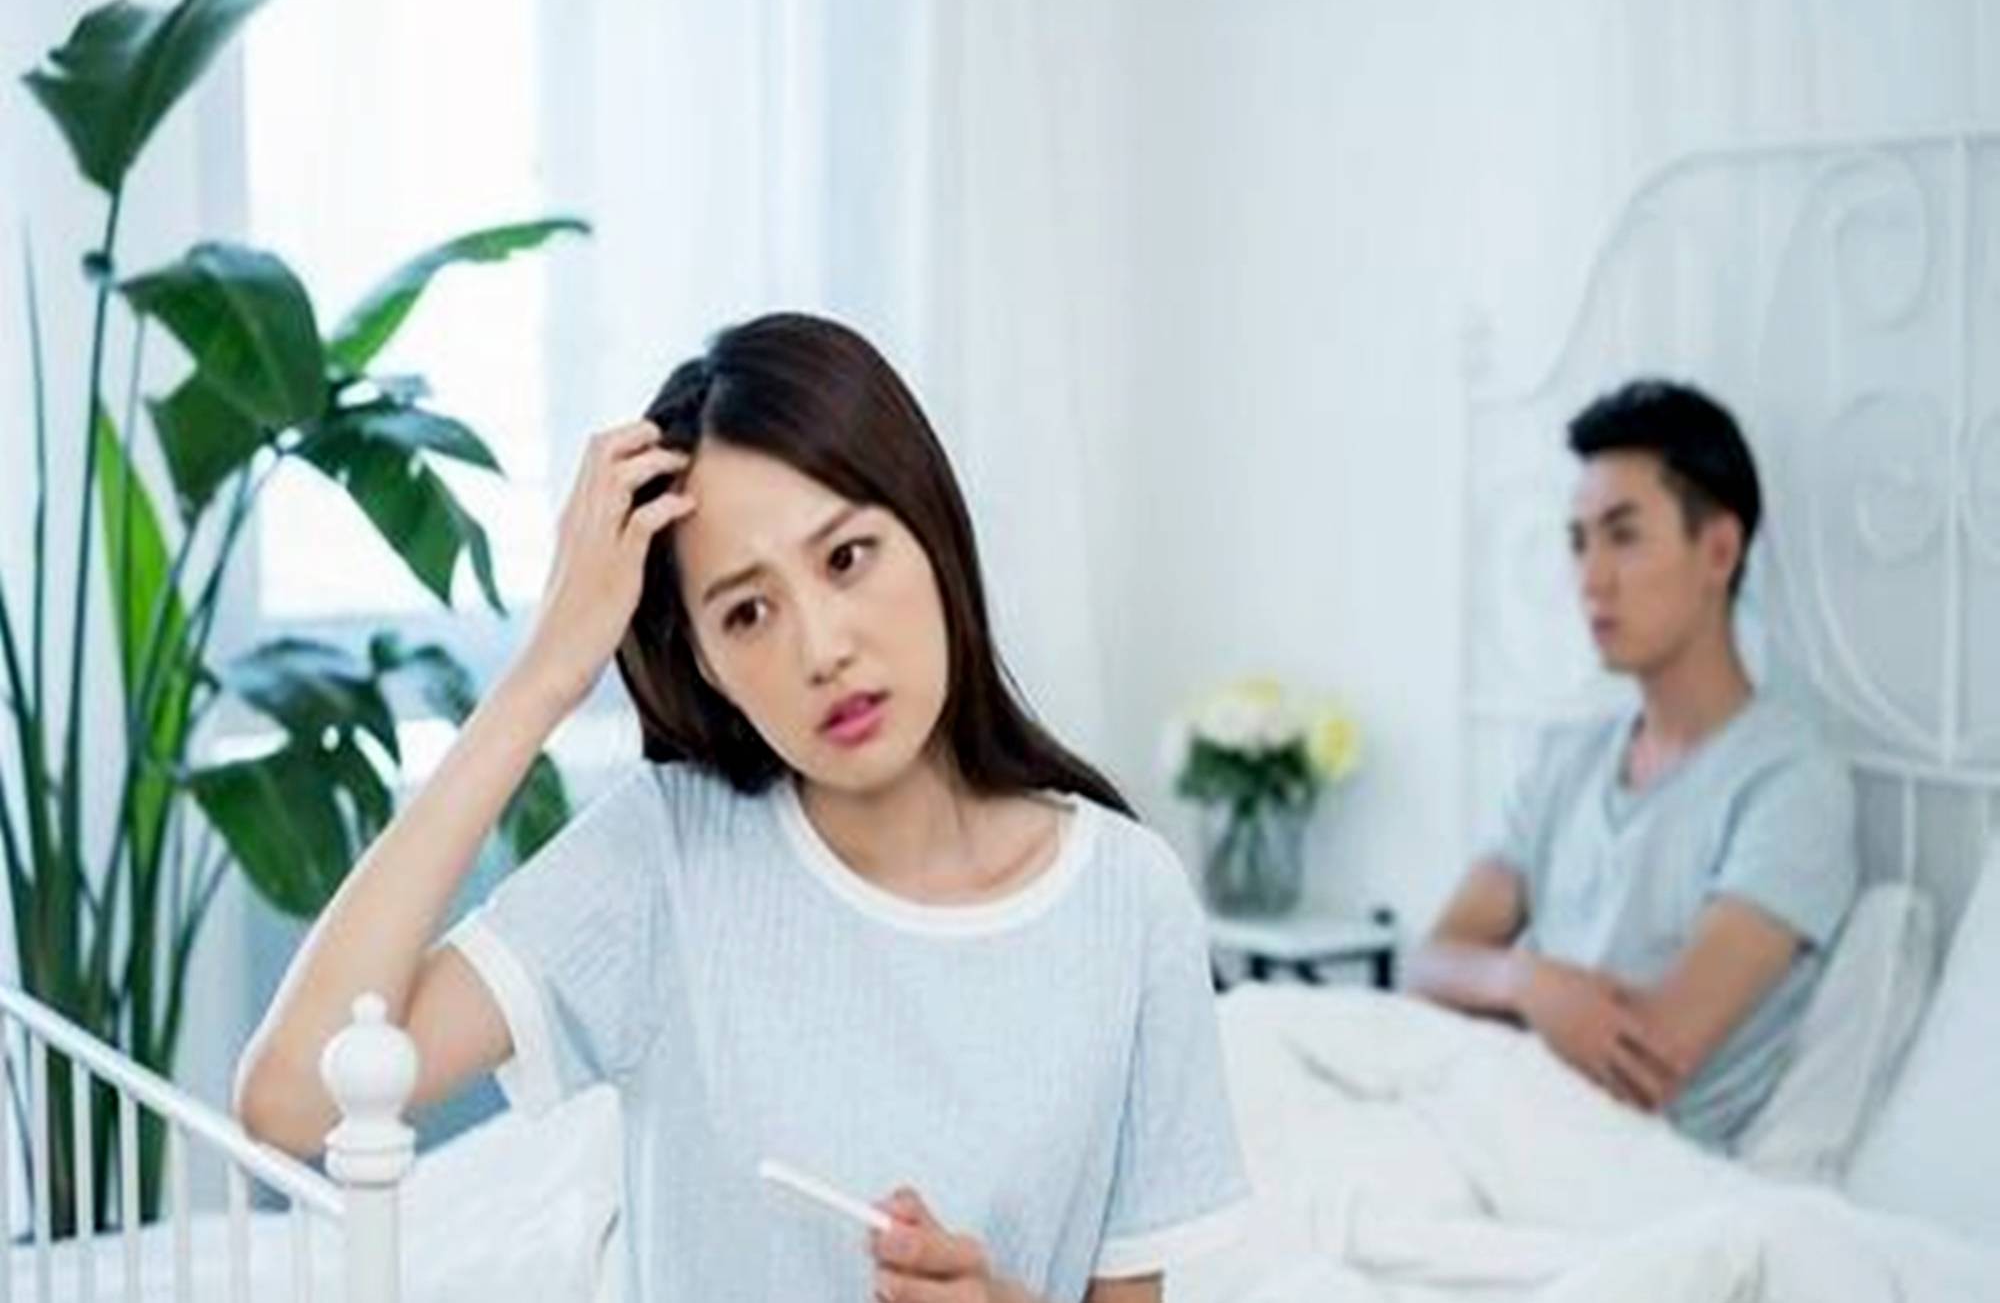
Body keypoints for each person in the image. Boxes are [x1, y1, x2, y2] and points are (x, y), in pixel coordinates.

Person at [235, 313, 1250, 1302]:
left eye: (846, 558)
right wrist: (546, 673)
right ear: (709, 666)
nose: (822, 648)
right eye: (748, 611)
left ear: (931, 527)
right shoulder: (665, 857)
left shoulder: (1128, 898)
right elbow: (290, 1097)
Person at [1405, 379, 1859, 1151]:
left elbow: (1650, 1056)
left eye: (1623, 536)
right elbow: (1426, 964)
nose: (1591, 579)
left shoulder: (1788, 782)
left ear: (1720, 550)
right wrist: (1529, 982)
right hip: (1494, 1118)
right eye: (1579, 541)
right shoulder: (1567, 759)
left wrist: (1500, 986)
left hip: (1629, 1165)